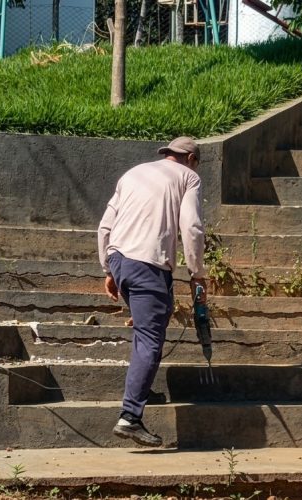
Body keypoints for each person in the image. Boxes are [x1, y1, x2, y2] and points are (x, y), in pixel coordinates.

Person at [97, 136, 207, 447]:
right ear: (191, 159)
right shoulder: (189, 177)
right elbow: (192, 227)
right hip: (148, 264)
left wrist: (108, 270)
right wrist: (197, 273)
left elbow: (105, 227)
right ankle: (130, 417)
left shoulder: (133, 173)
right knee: (149, 338)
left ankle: (139, 391)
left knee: (149, 329)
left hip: (120, 259)